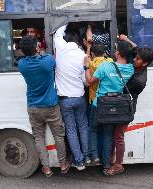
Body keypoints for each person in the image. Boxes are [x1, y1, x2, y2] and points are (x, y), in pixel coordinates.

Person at [18, 36, 71, 177]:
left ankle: (46, 168)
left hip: (33, 107)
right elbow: (53, 58)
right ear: (36, 48)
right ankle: (63, 164)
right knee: (58, 136)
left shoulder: (22, 64)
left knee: (39, 138)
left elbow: (27, 57)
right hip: (51, 106)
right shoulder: (47, 61)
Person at [106, 34, 153, 176]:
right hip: (121, 105)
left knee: (118, 135)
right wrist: (126, 39)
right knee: (115, 133)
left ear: (145, 63)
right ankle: (111, 158)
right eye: (135, 56)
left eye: (137, 58)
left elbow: (119, 86)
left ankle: (118, 165)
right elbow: (136, 48)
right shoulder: (139, 64)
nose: (134, 59)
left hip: (126, 109)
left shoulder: (139, 80)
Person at [84, 40, 134, 174]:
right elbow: (135, 50)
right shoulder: (130, 68)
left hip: (99, 104)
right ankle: (106, 165)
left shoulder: (105, 66)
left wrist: (86, 67)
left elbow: (89, 82)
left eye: (116, 49)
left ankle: (94, 156)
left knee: (93, 129)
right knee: (108, 135)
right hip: (114, 107)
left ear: (117, 53)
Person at [53, 24, 89, 170]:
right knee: (83, 127)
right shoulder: (83, 55)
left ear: (66, 40)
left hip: (65, 100)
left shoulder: (61, 47)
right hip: (80, 98)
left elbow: (57, 34)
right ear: (78, 41)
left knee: (71, 130)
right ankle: (86, 157)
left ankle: (78, 161)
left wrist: (66, 21)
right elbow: (86, 81)